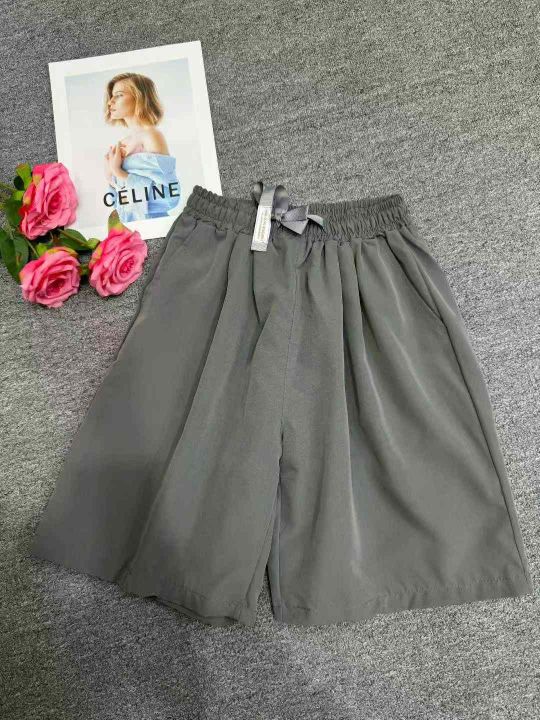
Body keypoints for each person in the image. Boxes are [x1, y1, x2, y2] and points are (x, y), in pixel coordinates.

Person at [103, 72, 181, 222]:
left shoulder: (152, 136)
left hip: (152, 224)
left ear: (139, 98)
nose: (110, 102)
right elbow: (118, 203)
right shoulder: (123, 142)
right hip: (126, 226)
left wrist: (118, 172)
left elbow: (169, 197)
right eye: (111, 96)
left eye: (119, 95)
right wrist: (110, 177)